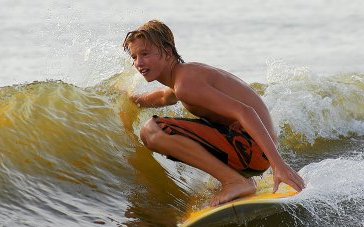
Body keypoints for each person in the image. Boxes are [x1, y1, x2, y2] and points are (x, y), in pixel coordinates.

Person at [122, 20, 305, 206]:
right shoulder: (185, 76)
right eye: (134, 57)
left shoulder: (185, 84)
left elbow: (245, 112)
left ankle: (235, 181)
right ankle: (237, 179)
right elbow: (163, 97)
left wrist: (278, 165)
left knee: (151, 131)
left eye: (144, 54)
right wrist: (130, 97)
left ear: (167, 52)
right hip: (251, 150)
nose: (138, 63)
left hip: (252, 152)